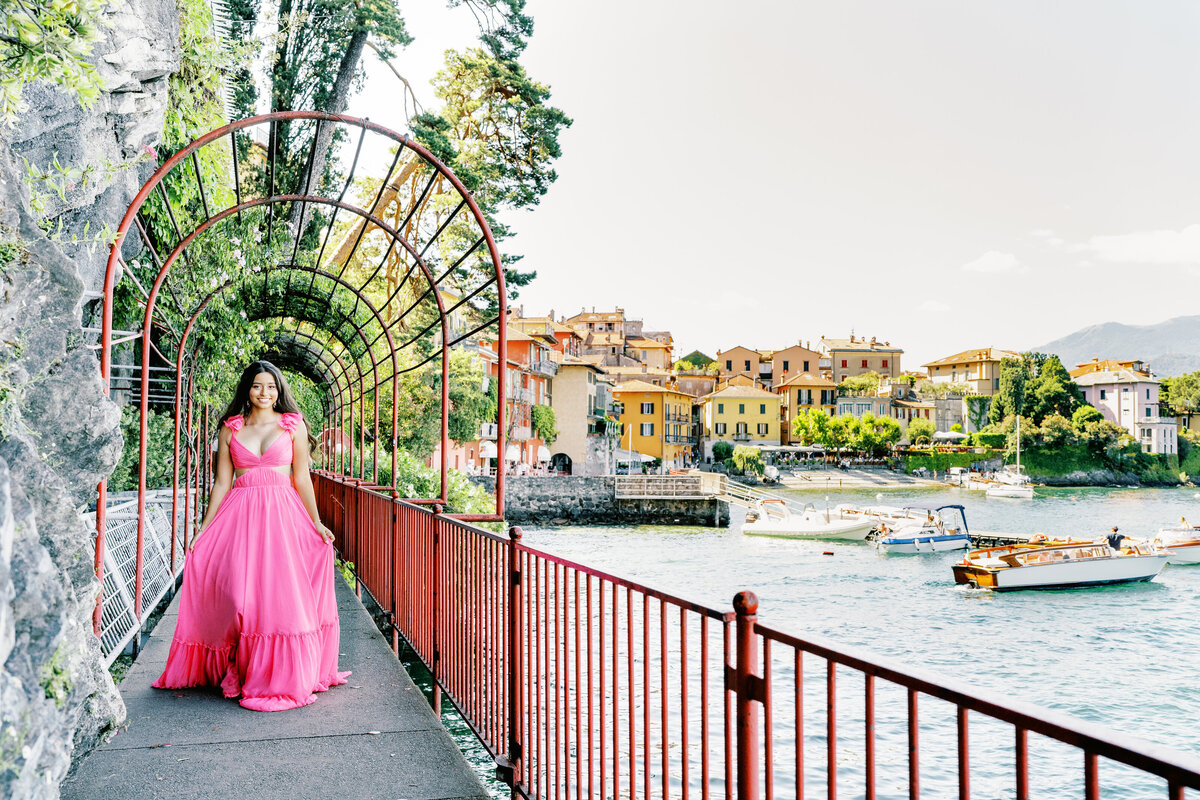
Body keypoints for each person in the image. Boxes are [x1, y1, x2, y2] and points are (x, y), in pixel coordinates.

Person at [153, 361, 350, 711]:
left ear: (279, 390)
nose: (265, 393)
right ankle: (241, 664)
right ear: (247, 389)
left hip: (282, 516)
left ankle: (283, 675)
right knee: (239, 597)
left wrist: (317, 523)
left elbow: (302, 478)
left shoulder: (293, 426)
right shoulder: (230, 429)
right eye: (258, 386)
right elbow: (221, 483)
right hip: (241, 516)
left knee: (279, 597)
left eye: (271, 387)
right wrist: (204, 527)